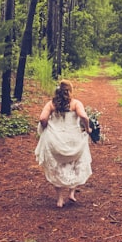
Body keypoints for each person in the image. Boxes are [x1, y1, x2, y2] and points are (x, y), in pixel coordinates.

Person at [34, 79, 93, 207]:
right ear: (70, 91)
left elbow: (42, 118)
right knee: (77, 162)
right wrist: (87, 128)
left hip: (56, 140)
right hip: (74, 139)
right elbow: (84, 117)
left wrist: (46, 128)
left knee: (57, 166)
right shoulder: (76, 103)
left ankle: (60, 199)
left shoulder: (51, 104)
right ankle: (71, 193)